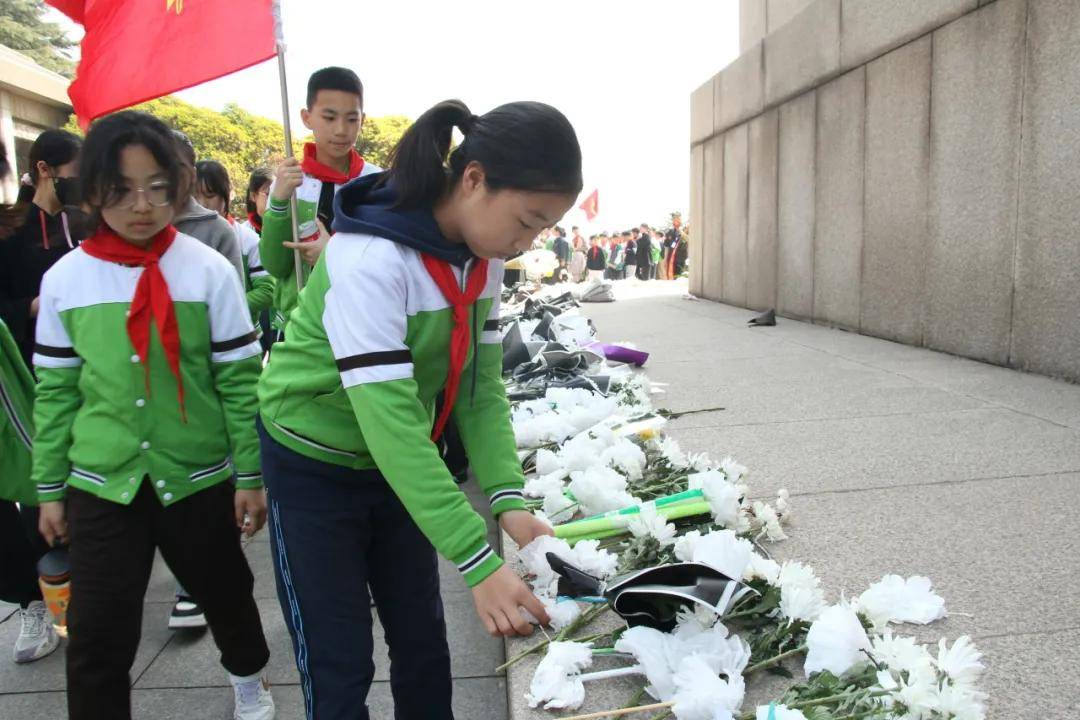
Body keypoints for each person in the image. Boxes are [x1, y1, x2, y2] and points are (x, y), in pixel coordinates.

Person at [256, 98, 579, 719]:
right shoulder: (371, 259)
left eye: (541, 230)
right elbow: (392, 423)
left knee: (424, 642)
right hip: (313, 462)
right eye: (527, 221)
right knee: (339, 657)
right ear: (475, 178)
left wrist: (508, 499)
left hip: (397, 461)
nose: (527, 243)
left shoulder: (482, 261)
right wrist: (477, 559)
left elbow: (479, 387)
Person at [32, 111, 275, 720]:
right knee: (96, 634)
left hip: (197, 477)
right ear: (92, 190)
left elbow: (239, 384)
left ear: (178, 184)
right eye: (121, 189)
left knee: (227, 597)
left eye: (157, 187)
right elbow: (56, 393)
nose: (141, 204)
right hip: (101, 484)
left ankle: (247, 677)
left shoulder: (209, 270)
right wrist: (49, 489)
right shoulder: (67, 279)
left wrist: (249, 476)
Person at [261, 67, 382, 336]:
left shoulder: (377, 183)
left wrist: (331, 254)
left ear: (363, 119)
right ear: (307, 117)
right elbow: (275, 264)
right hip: (297, 325)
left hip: (358, 322)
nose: (341, 130)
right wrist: (279, 200)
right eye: (329, 117)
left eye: (352, 119)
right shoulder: (290, 183)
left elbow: (386, 261)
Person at [0, 139, 59, 665]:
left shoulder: (80, 226)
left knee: (43, 484)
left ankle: (65, 583)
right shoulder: (13, 235)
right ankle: (30, 602)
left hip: (52, 377)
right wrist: (30, 306)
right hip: (17, 364)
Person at [0, 129, 90, 367]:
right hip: (31, 361)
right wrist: (33, 306)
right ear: (44, 169)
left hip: (84, 357)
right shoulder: (9, 231)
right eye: (76, 173)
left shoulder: (85, 226)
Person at [196, 161, 275, 341]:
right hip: (198, 336)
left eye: (210, 195)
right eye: (195, 196)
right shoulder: (182, 238)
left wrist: (223, 308)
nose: (201, 204)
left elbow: (267, 291)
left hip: (242, 336)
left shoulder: (247, 239)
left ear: (226, 194)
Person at [171, 131, 245, 281]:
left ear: (192, 174)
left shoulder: (219, 230)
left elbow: (234, 297)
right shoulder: (138, 225)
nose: (169, 176)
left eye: (210, 195)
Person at [239, 168, 277, 351]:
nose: (274, 199)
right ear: (253, 196)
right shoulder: (243, 234)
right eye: (268, 193)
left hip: (282, 311)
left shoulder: (290, 229)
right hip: (255, 313)